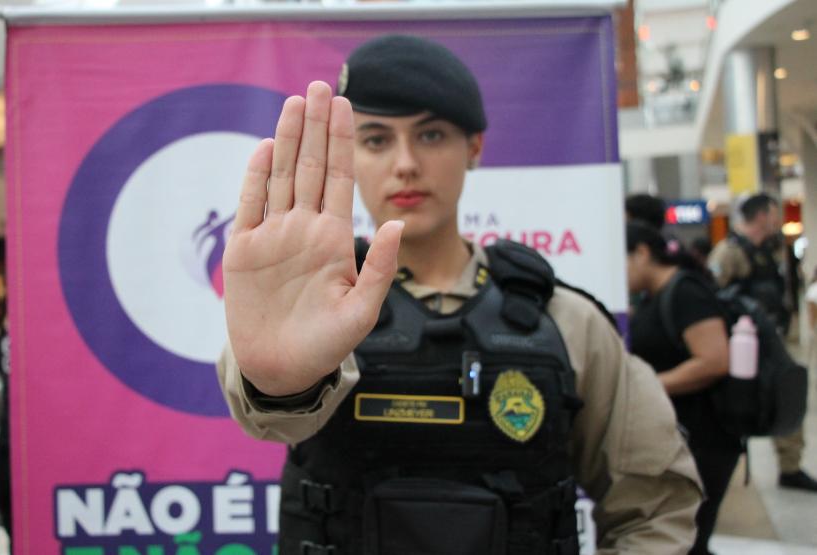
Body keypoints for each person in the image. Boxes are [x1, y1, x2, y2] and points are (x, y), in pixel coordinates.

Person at [218, 35, 702, 554]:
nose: (406, 164)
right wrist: (282, 386)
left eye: (431, 135)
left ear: (473, 148)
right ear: (350, 154)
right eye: (376, 140)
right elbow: (273, 418)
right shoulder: (311, 308)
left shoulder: (566, 322)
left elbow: (656, 505)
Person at [626, 222, 740, 555]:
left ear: (642, 253)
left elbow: (714, 361)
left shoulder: (686, 292)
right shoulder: (654, 296)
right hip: (682, 437)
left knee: (689, 541)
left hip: (704, 439)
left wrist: (646, 387)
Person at [709, 194, 817, 492]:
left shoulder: (771, 250)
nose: (777, 219)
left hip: (773, 339)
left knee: (787, 395)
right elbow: (712, 296)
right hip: (743, 346)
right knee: (739, 406)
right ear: (760, 216)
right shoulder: (729, 253)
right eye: (773, 213)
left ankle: (790, 466)